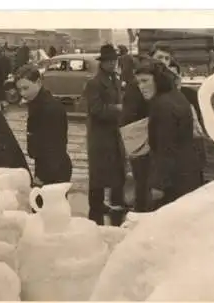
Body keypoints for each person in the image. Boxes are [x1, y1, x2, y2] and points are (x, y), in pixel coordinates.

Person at [147, 61, 203, 207]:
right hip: (186, 171)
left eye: (145, 81)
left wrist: (158, 184)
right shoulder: (177, 97)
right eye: (138, 82)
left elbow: (165, 146)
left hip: (174, 177)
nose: (141, 87)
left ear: (157, 81)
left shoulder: (163, 105)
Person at [83, 44, 126, 226]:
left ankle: (113, 204)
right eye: (109, 61)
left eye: (114, 60)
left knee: (115, 168)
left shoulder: (115, 79)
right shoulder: (94, 83)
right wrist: (118, 109)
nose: (113, 64)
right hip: (99, 135)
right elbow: (95, 109)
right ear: (103, 63)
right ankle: (95, 207)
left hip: (114, 133)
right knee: (98, 173)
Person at [14, 64, 72, 186]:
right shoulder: (37, 103)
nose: (22, 93)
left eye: (26, 88)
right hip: (47, 167)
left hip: (53, 171)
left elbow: (54, 147)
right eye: (19, 89)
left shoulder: (49, 108)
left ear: (39, 82)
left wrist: (42, 176)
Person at [121, 62, 155, 212]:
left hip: (142, 138)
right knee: (143, 180)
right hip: (140, 138)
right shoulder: (136, 88)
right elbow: (130, 114)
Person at [169, 62, 207, 184]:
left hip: (192, 144)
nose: (173, 79)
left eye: (175, 75)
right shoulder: (162, 98)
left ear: (180, 76)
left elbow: (198, 123)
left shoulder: (190, 94)